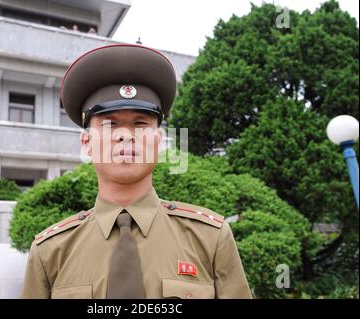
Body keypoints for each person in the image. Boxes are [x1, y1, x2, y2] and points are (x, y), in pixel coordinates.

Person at [22, 44, 252, 299]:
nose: (125, 135)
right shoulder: (51, 251)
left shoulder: (209, 239)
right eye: (109, 124)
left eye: (141, 124)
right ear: (86, 143)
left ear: (158, 140)